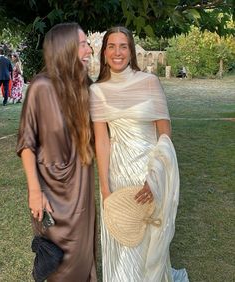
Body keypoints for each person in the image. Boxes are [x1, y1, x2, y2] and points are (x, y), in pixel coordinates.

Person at [90, 26, 189, 281]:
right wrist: (104, 188)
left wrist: (157, 175)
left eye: (123, 46)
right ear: (104, 53)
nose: (117, 52)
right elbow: (102, 139)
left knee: (149, 240)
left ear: (131, 51)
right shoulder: (97, 91)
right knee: (122, 240)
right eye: (111, 46)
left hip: (149, 172)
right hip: (117, 175)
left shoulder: (149, 83)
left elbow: (164, 133)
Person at [17, 23, 97, 282]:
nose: (89, 49)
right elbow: (27, 143)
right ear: (66, 48)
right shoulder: (41, 86)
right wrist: (34, 191)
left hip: (81, 191)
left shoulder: (86, 86)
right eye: (83, 43)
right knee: (58, 266)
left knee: (83, 260)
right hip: (50, 193)